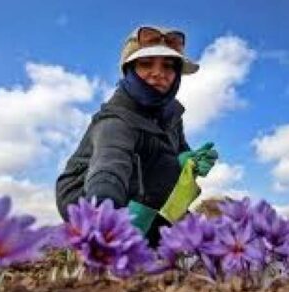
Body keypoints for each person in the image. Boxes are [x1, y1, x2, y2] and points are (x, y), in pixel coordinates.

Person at [55, 25, 218, 247]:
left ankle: (142, 236)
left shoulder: (171, 115)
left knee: (191, 237)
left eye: (169, 66)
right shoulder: (115, 121)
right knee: (164, 171)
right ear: (129, 69)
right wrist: (104, 219)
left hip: (140, 189)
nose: (158, 73)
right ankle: (113, 238)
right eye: (146, 63)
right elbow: (109, 167)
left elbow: (176, 153)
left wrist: (190, 160)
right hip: (86, 198)